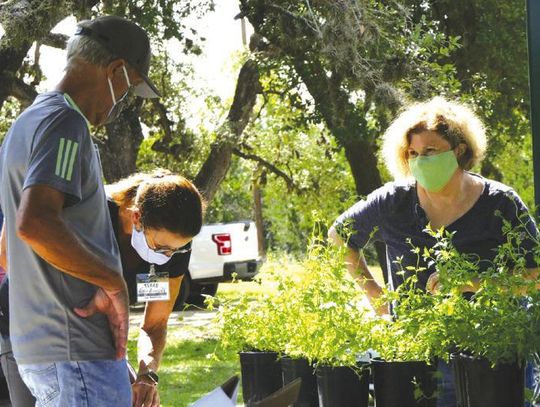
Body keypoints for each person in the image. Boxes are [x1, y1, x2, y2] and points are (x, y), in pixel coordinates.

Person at [329, 97, 539, 407]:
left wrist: (472, 283)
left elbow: (535, 276)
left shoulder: (499, 203)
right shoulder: (393, 201)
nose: (420, 160)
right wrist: (376, 297)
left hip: (490, 356)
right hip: (416, 353)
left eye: (430, 151)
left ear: (459, 150)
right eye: (413, 153)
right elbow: (338, 236)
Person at [0, 15, 160, 406]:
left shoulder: (26, 123)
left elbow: (7, 243)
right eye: (129, 88)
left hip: (45, 351)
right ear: (116, 70)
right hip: (75, 351)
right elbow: (35, 223)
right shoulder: (66, 122)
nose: (123, 101)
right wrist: (112, 282)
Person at [0, 170, 204, 407]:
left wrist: (146, 375)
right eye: (161, 247)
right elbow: (11, 252)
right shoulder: (89, 213)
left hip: (95, 339)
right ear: (136, 217)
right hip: (29, 329)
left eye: (177, 249)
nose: (168, 256)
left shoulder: (173, 251)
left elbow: (155, 324)